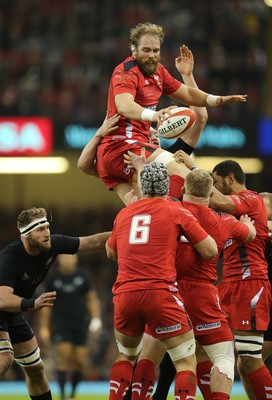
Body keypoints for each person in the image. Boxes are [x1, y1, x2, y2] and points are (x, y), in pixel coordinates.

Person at [125, 168, 256, 400]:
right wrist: (249, 225)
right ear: (211, 194)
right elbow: (249, 235)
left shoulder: (168, 210)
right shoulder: (223, 221)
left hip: (167, 290)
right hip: (202, 295)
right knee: (222, 355)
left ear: (184, 189)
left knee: (150, 354)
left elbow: (145, 214)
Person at [94, 22, 247, 204]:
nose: (152, 56)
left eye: (156, 51)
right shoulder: (125, 72)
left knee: (140, 208)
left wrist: (217, 99)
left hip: (119, 156)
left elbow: (190, 97)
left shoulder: (159, 72)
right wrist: (154, 116)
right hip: (122, 147)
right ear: (133, 50)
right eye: (146, 50)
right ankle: (192, 210)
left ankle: (168, 217)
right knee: (181, 170)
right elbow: (124, 105)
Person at [105, 162, 218, 400]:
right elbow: (210, 250)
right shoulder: (176, 211)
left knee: (126, 356)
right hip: (160, 293)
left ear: (143, 188)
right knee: (186, 360)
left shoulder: (124, 213)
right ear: (167, 187)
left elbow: (111, 252)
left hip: (125, 294)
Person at [169, 158, 272, 400]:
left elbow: (216, 199)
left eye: (216, 181)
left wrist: (193, 167)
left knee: (248, 358)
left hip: (250, 283)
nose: (214, 187)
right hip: (225, 284)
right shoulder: (223, 214)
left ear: (230, 179)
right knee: (205, 350)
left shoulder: (251, 198)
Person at [0, 207, 111, 400]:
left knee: (36, 368)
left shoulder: (54, 244)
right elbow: (2, 299)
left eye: (47, 227)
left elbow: (92, 242)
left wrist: (127, 228)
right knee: (5, 358)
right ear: (26, 235)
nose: (47, 233)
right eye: (40, 229)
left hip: (13, 312)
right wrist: (33, 303)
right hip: (3, 306)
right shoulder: (9, 258)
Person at [78, 44, 208, 200]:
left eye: (155, 134)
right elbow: (84, 165)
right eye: (148, 135)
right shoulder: (126, 161)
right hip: (160, 218)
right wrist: (99, 134)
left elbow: (200, 118)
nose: (153, 136)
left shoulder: (174, 154)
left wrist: (187, 75)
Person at [39, 253, 102, 400]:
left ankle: (72, 395)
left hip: (81, 324)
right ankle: (62, 397)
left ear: (76, 259)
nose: (68, 259)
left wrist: (96, 319)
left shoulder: (84, 276)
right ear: (59, 259)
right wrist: (43, 326)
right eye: (65, 257)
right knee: (63, 358)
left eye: (71, 256)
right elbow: (47, 306)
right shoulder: (53, 279)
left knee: (81, 362)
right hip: (62, 324)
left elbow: (91, 299)